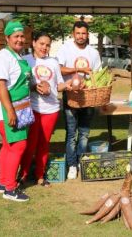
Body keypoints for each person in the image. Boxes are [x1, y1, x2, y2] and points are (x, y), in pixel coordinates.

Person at [19, 32, 72, 187]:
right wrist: (35, 87)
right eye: (41, 43)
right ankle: (23, 174)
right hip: (32, 109)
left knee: (44, 144)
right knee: (29, 144)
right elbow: (21, 85)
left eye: (47, 45)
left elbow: (58, 85)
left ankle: (40, 176)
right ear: (34, 43)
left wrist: (67, 86)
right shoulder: (25, 61)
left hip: (51, 109)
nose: (44, 47)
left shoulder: (54, 62)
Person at [57, 21, 101, 179]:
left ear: (87, 34)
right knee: (71, 134)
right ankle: (72, 165)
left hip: (87, 97)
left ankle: (81, 162)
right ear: (73, 34)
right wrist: (79, 70)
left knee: (84, 133)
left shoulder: (94, 52)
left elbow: (96, 74)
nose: (81, 36)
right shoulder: (65, 49)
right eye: (78, 33)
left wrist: (89, 82)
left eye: (84, 33)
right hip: (70, 96)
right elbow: (59, 68)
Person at [0, 21, 32, 201]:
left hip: (19, 108)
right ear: (7, 38)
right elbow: (0, 84)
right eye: (16, 36)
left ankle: (2, 182)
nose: (20, 39)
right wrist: (10, 112)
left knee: (9, 146)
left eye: (22, 36)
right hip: (6, 110)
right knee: (18, 145)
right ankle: (10, 188)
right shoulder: (3, 57)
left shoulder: (17, 56)